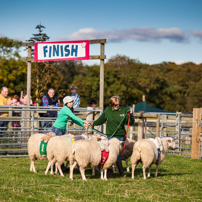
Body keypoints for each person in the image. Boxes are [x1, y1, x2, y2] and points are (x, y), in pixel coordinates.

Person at [92, 95, 134, 177]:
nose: (117, 106)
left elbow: (130, 121)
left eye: (118, 104)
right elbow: (101, 119)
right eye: (115, 105)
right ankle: (109, 171)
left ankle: (120, 173)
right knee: (110, 154)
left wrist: (131, 115)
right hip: (111, 136)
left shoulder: (124, 111)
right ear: (111, 104)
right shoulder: (108, 110)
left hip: (120, 136)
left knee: (117, 155)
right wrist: (92, 123)